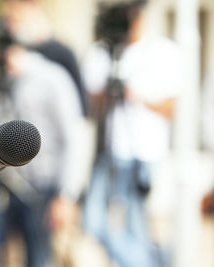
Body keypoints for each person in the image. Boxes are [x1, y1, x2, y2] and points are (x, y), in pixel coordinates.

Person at [0, 22, 83, 266]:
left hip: (40, 189)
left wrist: (67, 195)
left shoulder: (52, 78)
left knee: (40, 259)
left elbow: (73, 138)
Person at [82, 1, 181, 267]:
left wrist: (134, 95)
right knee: (94, 222)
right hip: (110, 150)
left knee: (138, 225)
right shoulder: (102, 53)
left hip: (144, 152)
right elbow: (91, 105)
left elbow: (172, 106)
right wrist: (109, 86)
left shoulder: (162, 52)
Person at [1, 0, 88, 116]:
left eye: (14, 17)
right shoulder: (11, 51)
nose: (10, 26)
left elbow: (77, 111)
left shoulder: (62, 54)